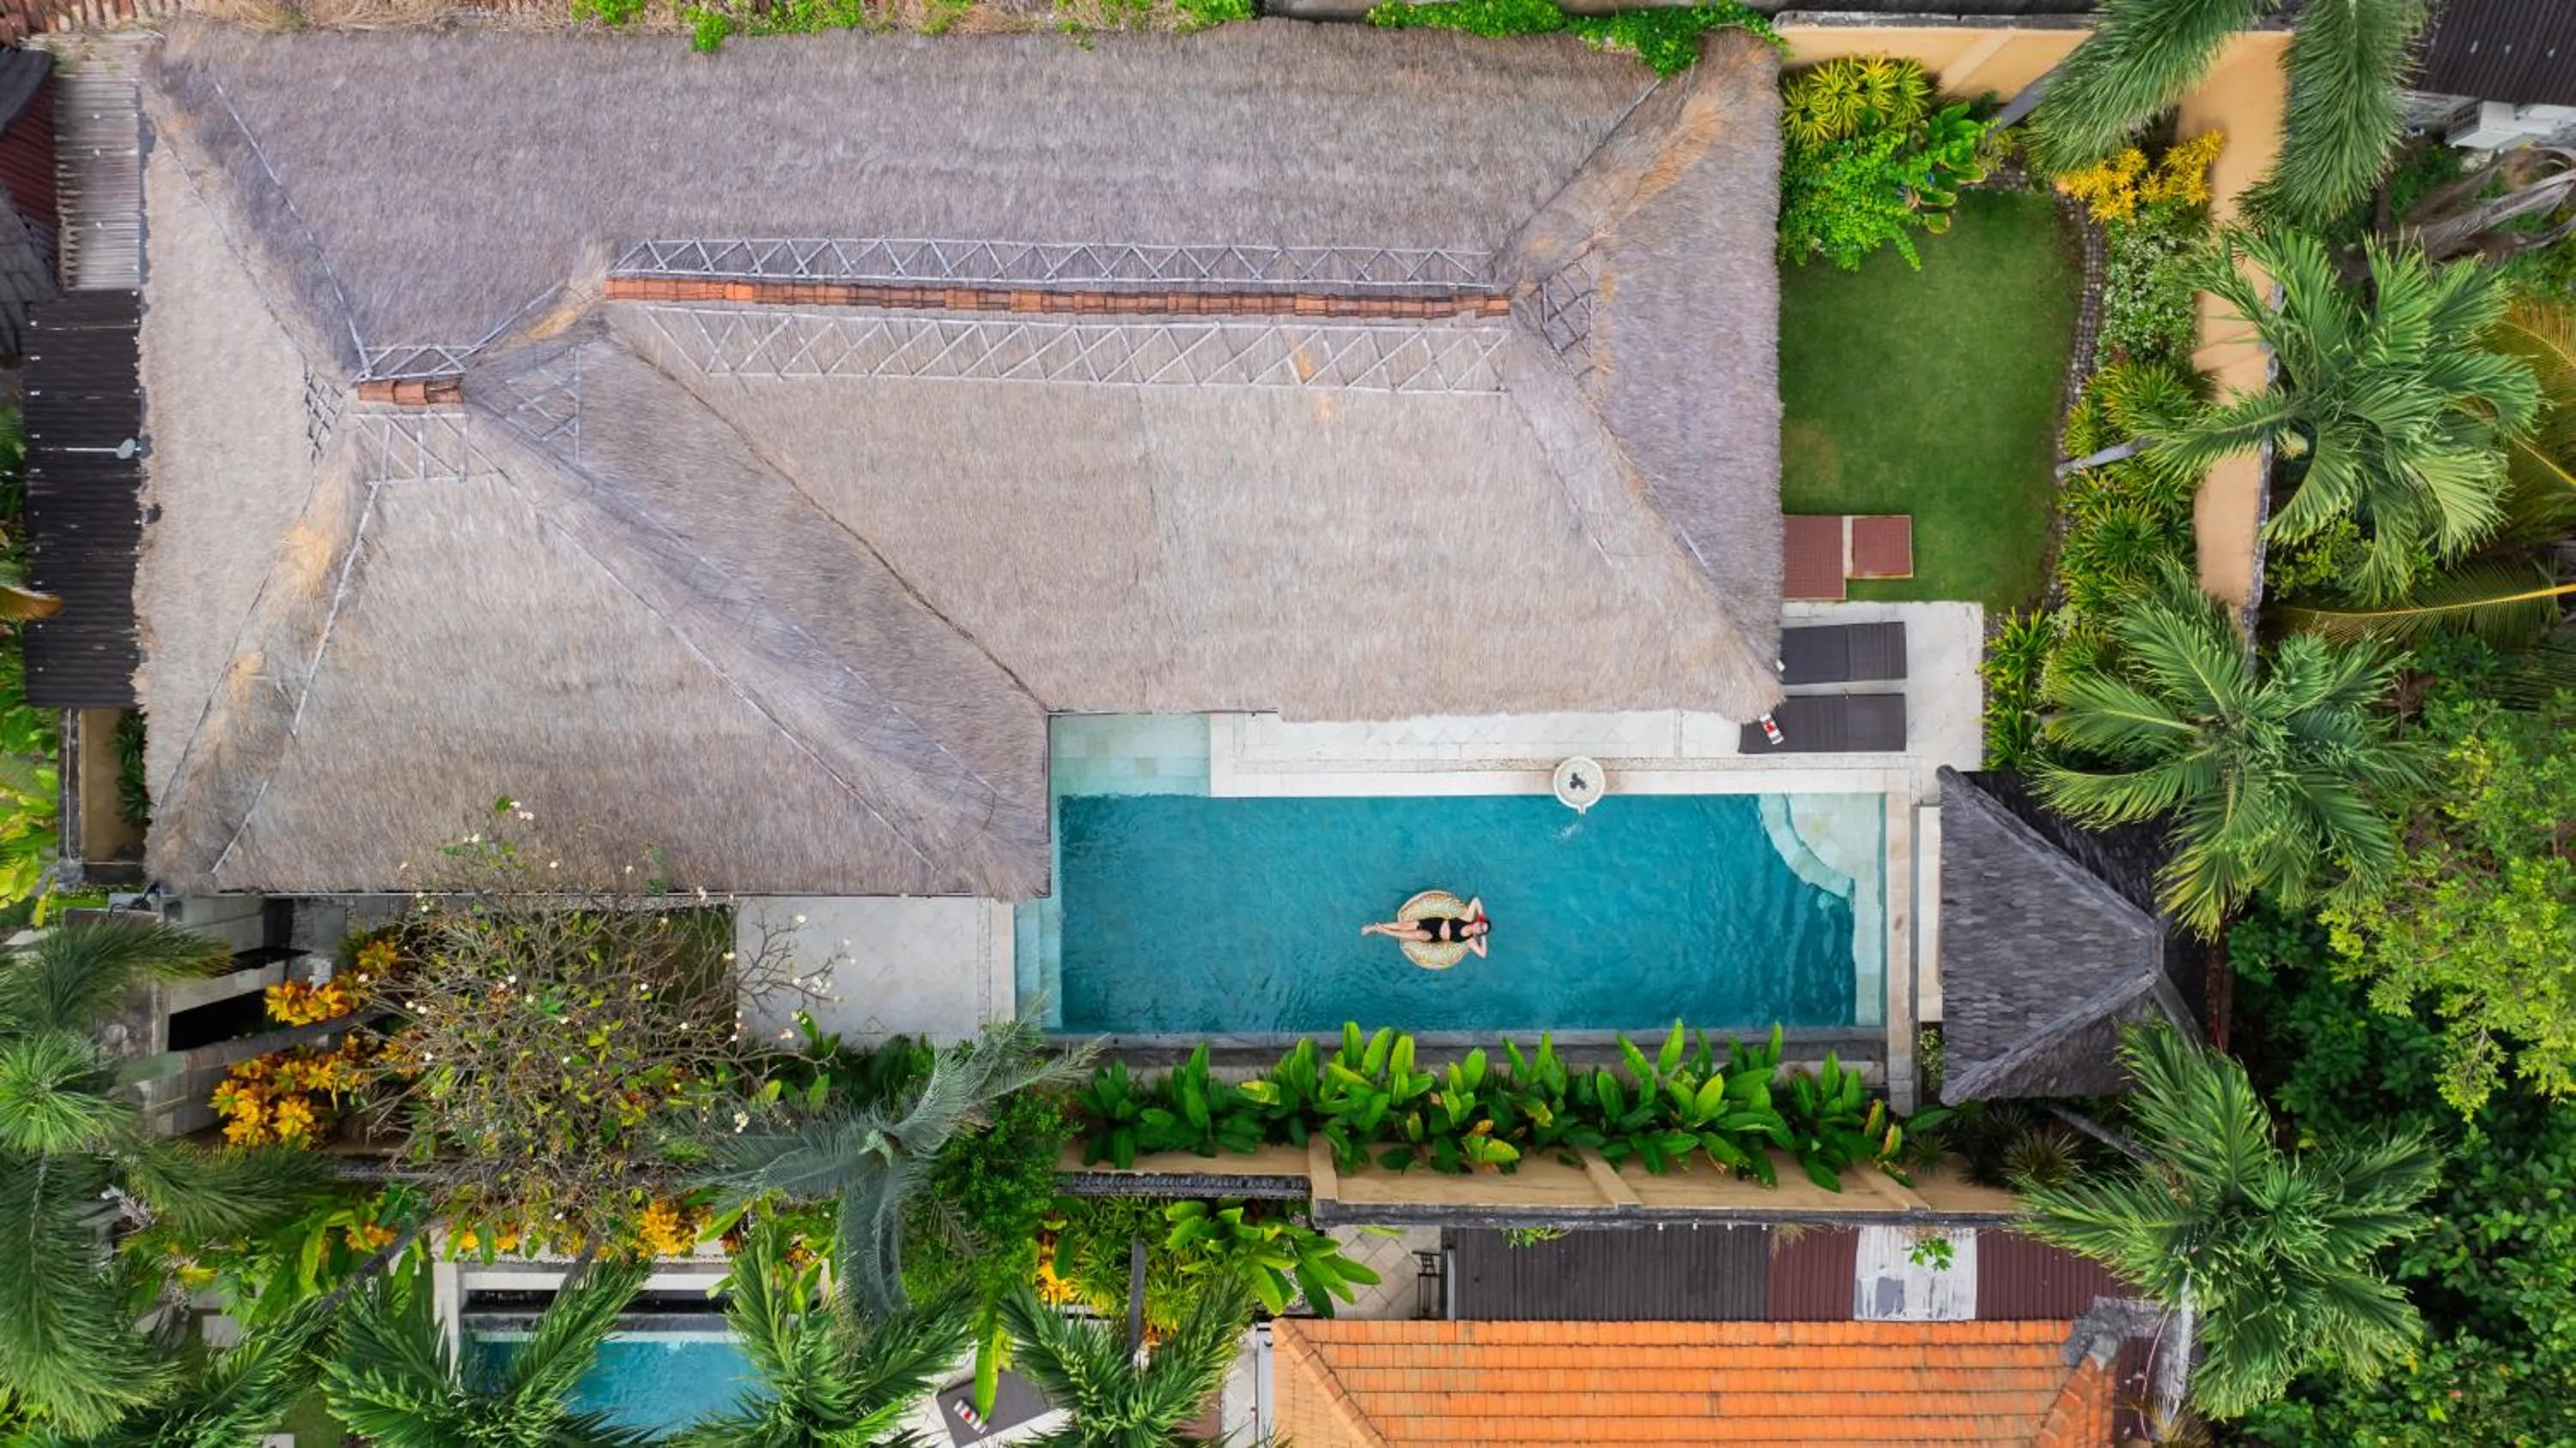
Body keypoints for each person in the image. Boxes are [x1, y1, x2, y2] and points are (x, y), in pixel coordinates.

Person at [1361, 898, 1491, 958]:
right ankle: (1374, 927)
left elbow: (1483, 954)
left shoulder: (1469, 940)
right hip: (1435, 923)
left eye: (1481, 930)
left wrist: (1483, 937)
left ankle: (1383, 931)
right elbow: (1476, 901)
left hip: (1434, 936)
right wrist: (1481, 914)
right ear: (1478, 921)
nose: (1478, 927)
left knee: (1416, 935)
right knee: (1405, 926)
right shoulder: (1467, 918)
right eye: (1480, 924)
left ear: (1479, 933)